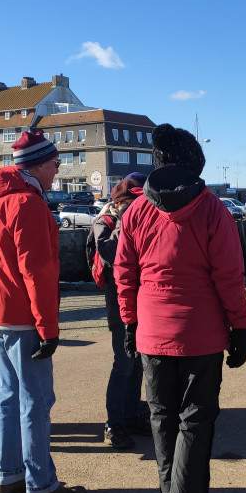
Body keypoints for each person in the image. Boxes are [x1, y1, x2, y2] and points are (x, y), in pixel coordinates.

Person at [114, 123, 246, 493]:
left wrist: (129, 322)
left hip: (152, 333)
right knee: (195, 422)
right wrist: (240, 327)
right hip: (202, 336)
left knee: (162, 419)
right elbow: (230, 277)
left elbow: (125, 274)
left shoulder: (137, 211)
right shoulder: (212, 210)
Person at [0, 130, 87, 493]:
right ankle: (41, 485)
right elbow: (37, 271)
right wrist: (48, 327)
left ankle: (10, 476)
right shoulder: (28, 203)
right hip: (22, 316)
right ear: (39, 164)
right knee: (36, 400)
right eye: (56, 164)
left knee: (7, 397)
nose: (58, 171)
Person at [92, 175, 149, 450]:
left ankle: (131, 413)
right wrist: (126, 222)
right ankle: (114, 423)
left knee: (137, 362)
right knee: (124, 363)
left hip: (143, 301)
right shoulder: (105, 222)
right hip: (119, 304)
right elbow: (109, 254)